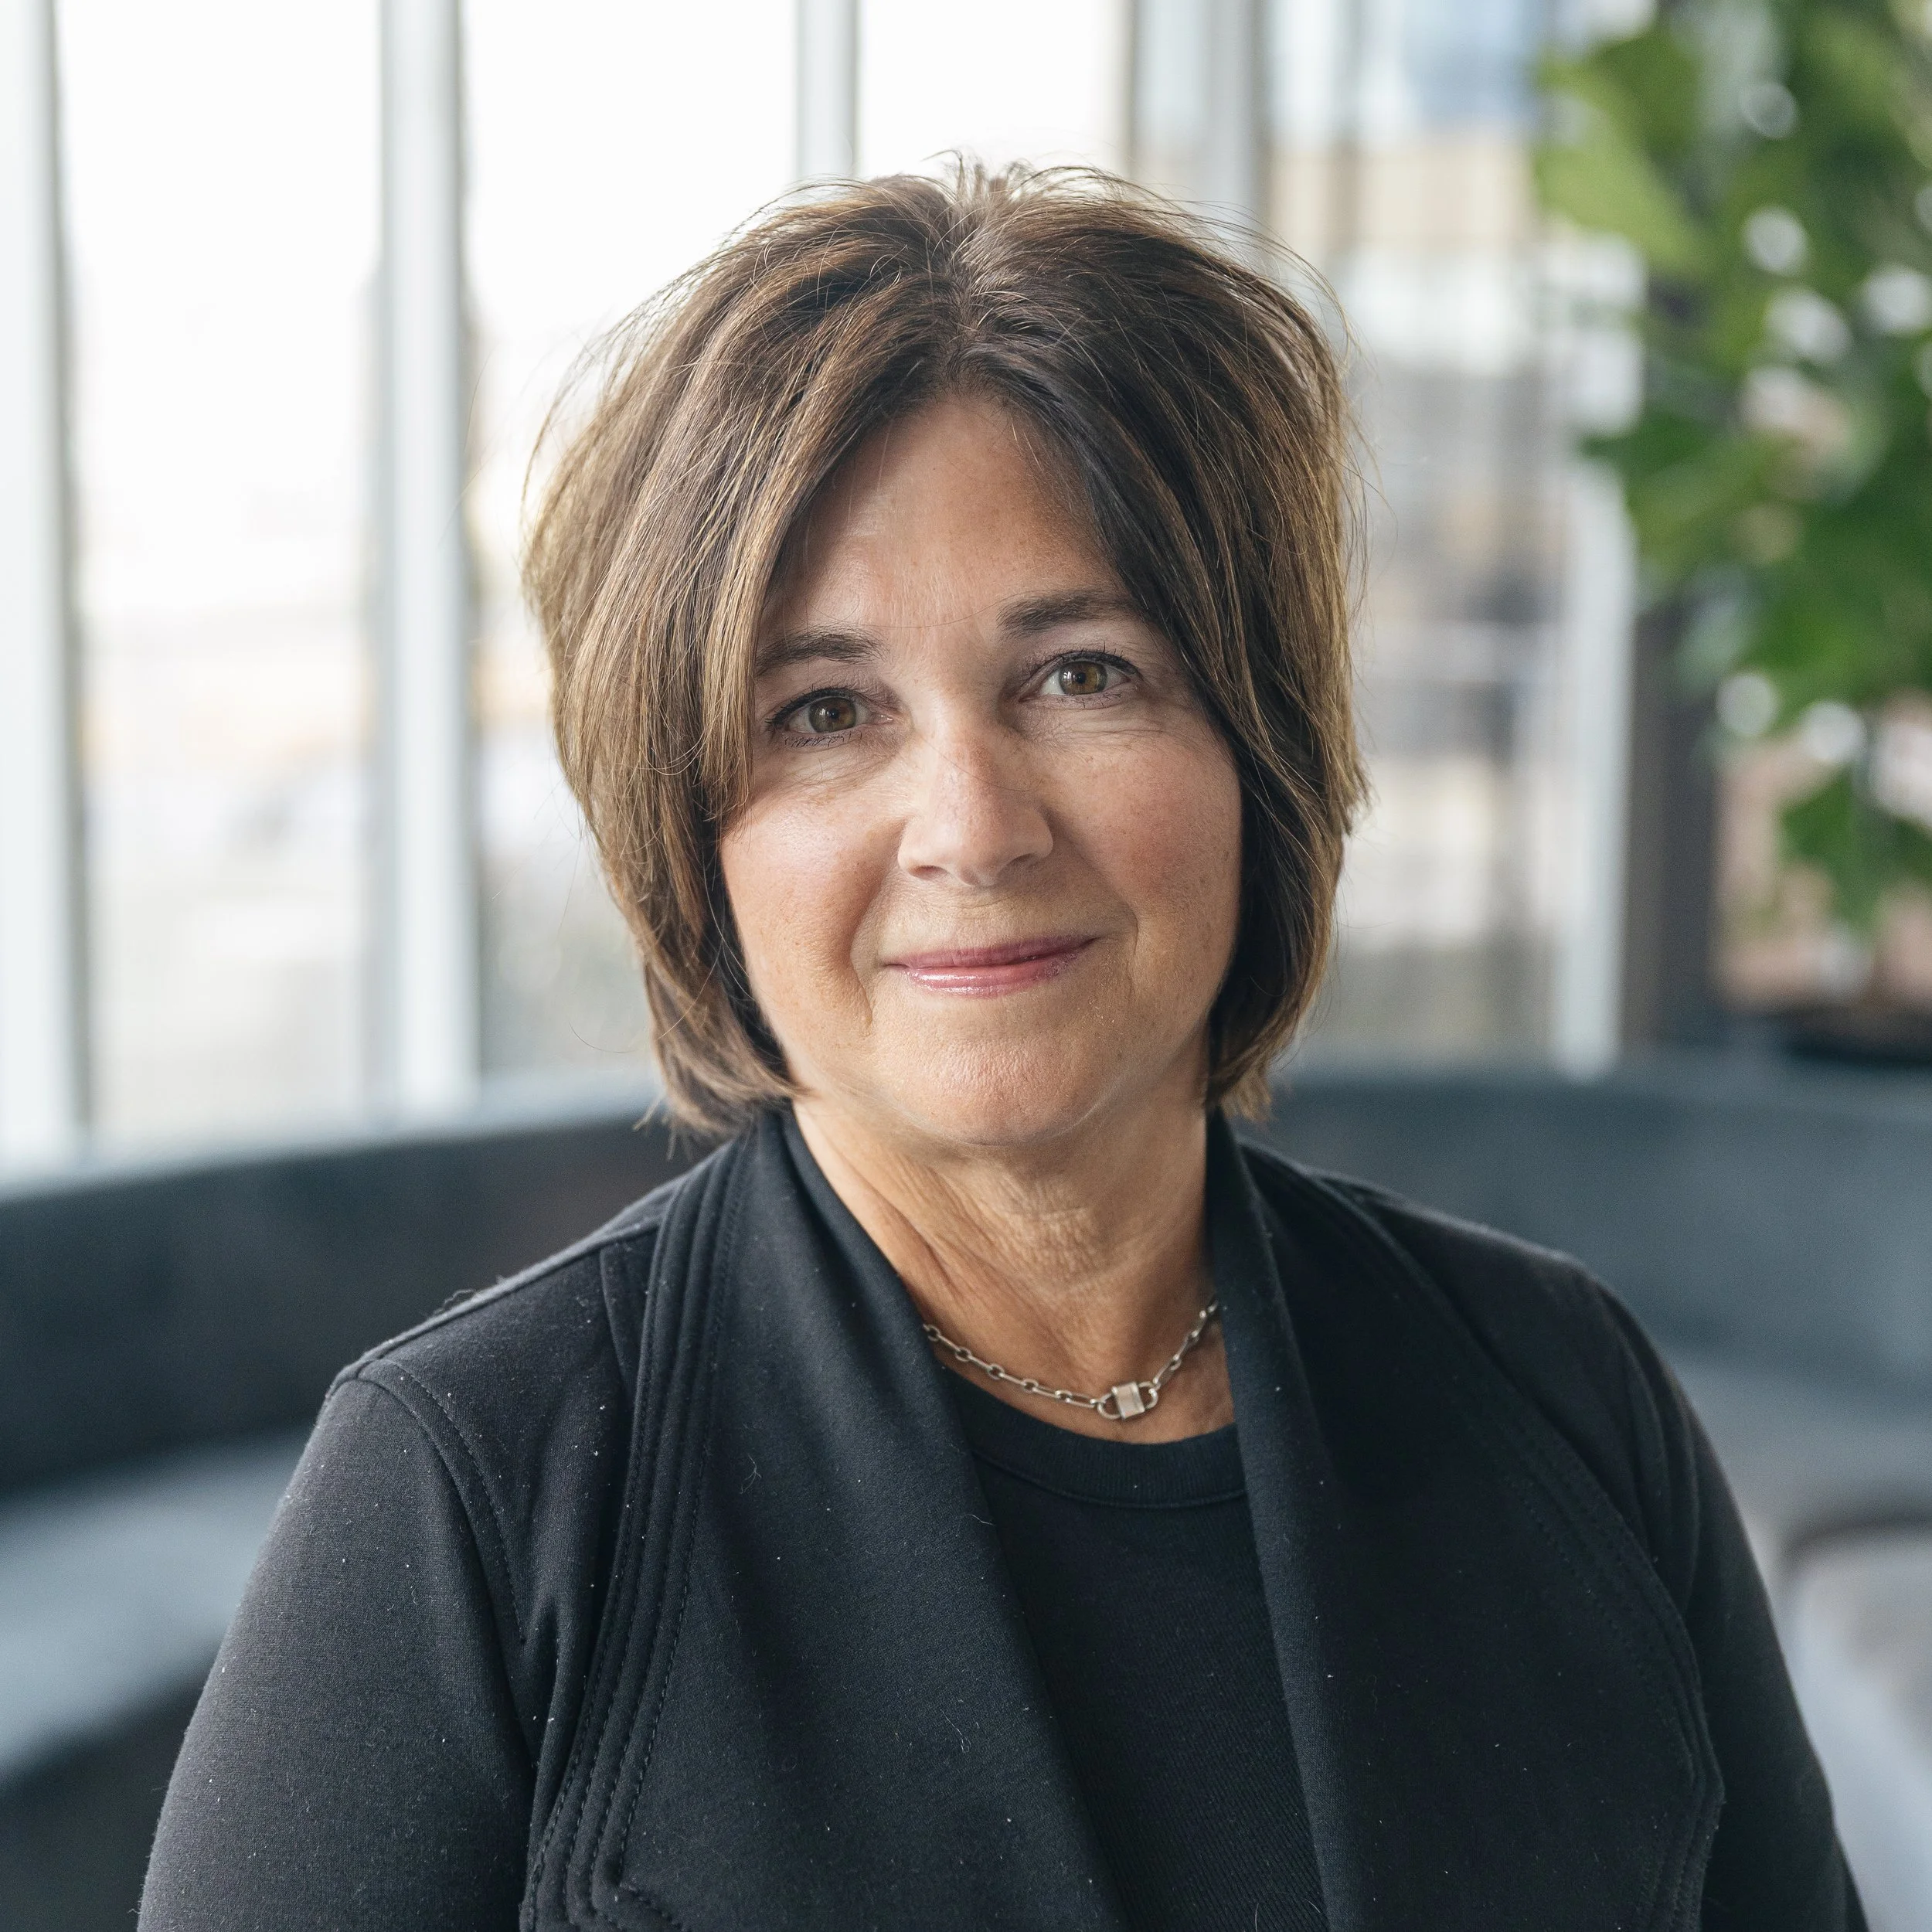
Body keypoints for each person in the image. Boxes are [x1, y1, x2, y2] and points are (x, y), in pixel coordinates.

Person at [140, 166, 1862, 1932]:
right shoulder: (474, 1491)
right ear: (692, 835)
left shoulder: (1559, 1391)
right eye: (824, 712)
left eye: (1080, 674)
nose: (969, 822)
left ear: (1250, 743)